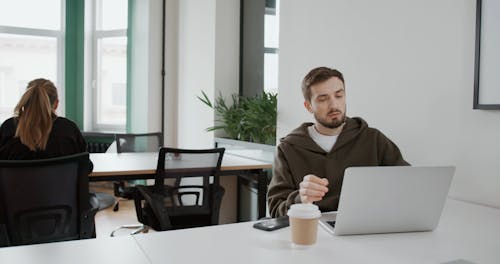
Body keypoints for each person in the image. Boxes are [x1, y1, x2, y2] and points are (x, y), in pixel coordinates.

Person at [267, 67, 409, 217]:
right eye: (323, 99)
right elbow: (276, 211)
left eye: (339, 95)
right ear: (308, 106)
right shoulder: (288, 149)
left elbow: (408, 184)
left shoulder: (373, 139)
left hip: (367, 227)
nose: (334, 105)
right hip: (313, 231)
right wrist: (300, 198)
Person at [0, 78, 89, 163]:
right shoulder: (68, 129)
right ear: (56, 104)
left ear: (27, 101)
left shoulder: (8, 127)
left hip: (16, 179)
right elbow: (85, 166)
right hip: (59, 179)